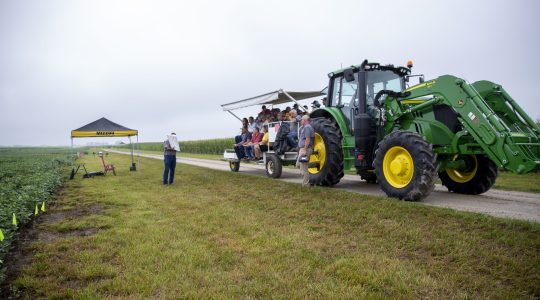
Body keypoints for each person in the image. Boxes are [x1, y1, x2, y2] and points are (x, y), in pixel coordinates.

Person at [297, 115, 314, 187]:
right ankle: (313, 164)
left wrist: (305, 150)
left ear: (306, 120)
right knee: (298, 164)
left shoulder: (307, 127)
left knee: (303, 168)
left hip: (305, 149)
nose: (301, 121)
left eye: (302, 120)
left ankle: (306, 185)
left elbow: (307, 139)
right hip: (302, 148)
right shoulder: (304, 127)